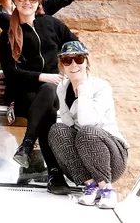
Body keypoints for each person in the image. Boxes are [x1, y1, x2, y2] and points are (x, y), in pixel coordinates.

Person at [0, 0, 80, 195]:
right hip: (23, 92)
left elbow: (77, 48)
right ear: (15, 0)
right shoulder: (8, 33)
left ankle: (27, 146)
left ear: (38, 1)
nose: (27, 2)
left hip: (53, 89)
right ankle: (54, 174)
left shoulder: (51, 24)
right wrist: (43, 76)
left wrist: (67, 68)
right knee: (49, 110)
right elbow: (10, 72)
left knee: (50, 92)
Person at [47, 41, 129, 209]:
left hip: (113, 156)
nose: (73, 64)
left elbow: (87, 122)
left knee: (87, 132)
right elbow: (68, 121)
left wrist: (82, 90)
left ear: (86, 62)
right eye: (67, 60)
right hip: (85, 159)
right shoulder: (62, 87)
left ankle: (107, 190)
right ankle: (90, 185)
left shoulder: (101, 87)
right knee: (57, 129)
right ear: (61, 64)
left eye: (78, 58)